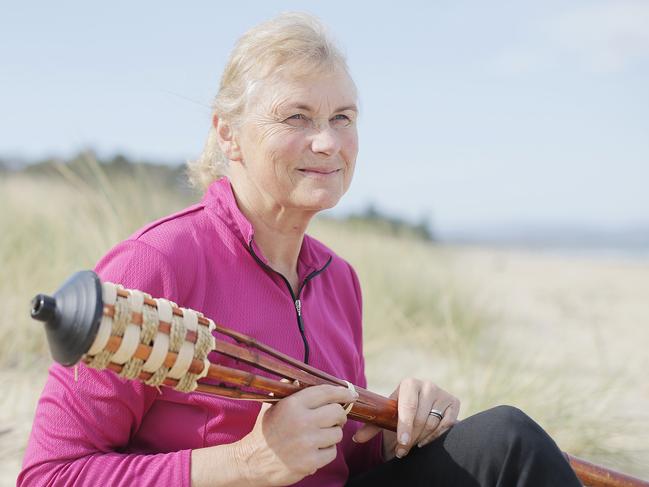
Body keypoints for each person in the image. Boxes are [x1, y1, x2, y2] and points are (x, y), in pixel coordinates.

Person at [19, 12, 581, 487]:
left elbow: (342, 462)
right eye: (297, 117)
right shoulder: (158, 263)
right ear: (227, 133)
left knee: (503, 440)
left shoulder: (339, 281)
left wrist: (397, 429)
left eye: (343, 118)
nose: (328, 142)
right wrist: (242, 461)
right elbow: (49, 474)